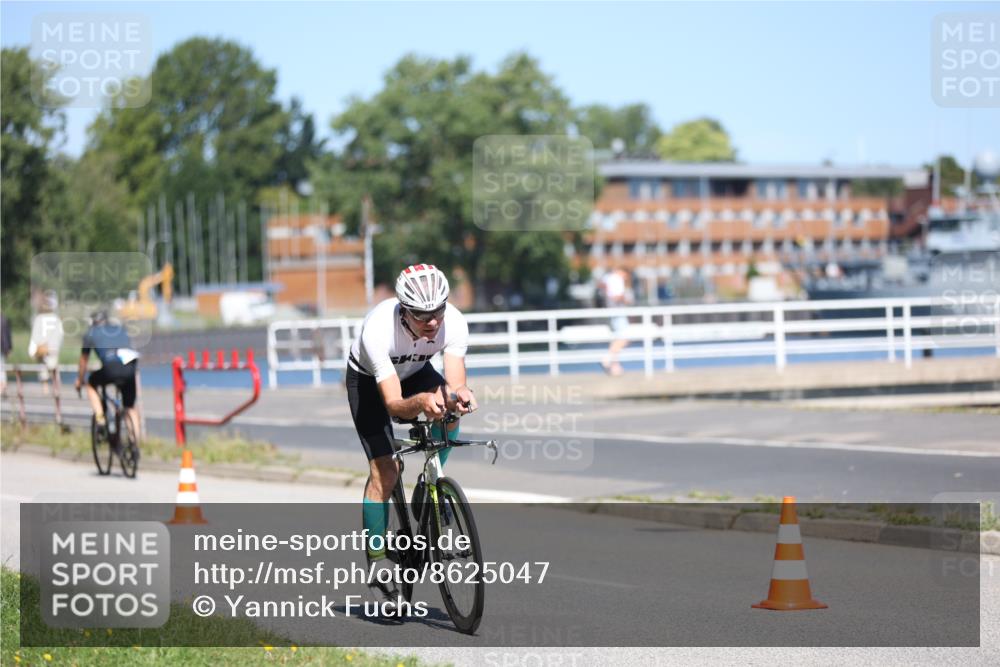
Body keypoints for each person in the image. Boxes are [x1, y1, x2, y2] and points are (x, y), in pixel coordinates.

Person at [346, 263, 476, 603]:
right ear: (404, 311)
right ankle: (376, 559)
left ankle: (431, 483)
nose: (433, 322)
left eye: (438, 312)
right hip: (370, 383)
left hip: (416, 370)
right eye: (421, 316)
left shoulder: (455, 322)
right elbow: (392, 403)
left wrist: (459, 396)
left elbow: (455, 383)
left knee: (448, 410)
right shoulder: (378, 329)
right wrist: (420, 401)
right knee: (386, 470)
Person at [74, 310, 141, 442]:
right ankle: (135, 445)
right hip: (130, 366)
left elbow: (83, 361)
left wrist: (79, 380)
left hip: (111, 368)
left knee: (91, 382)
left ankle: (100, 419)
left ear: (93, 322)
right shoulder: (120, 329)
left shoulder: (90, 333)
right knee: (130, 407)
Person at [597, 267, 633, 375]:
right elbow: (617, 296)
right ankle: (607, 359)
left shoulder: (608, 277)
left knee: (617, 339)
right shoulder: (617, 279)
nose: (626, 278)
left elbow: (601, 286)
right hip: (618, 311)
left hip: (610, 310)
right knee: (624, 338)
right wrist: (626, 300)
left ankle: (615, 366)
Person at [29, 291, 64, 396]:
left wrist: (37, 346)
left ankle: (45, 388)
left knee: (43, 368)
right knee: (53, 367)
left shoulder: (39, 318)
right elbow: (60, 334)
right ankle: (56, 388)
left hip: (42, 346)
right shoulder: (56, 319)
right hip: (53, 347)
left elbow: (35, 335)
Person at [0, 312, 11, 397]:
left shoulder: (3, 319)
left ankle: (2, 388)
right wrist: (8, 348)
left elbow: (6, 334)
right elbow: (7, 335)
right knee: (2, 368)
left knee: (2, 368)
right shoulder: (3, 319)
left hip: (2, 348)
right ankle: (3, 388)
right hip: (3, 347)